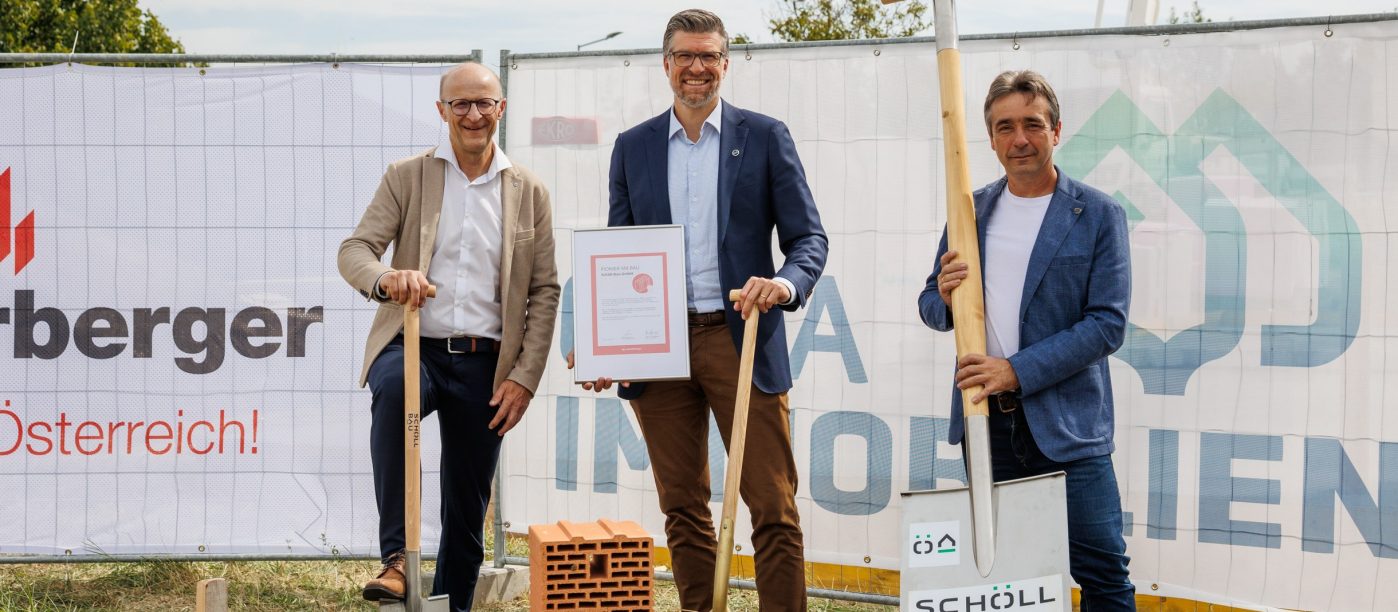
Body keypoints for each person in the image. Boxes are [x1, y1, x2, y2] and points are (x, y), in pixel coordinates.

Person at [567, 8, 827, 610]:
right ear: (666, 64)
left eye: (709, 56)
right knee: (681, 506)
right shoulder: (632, 147)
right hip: (659, 348)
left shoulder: (764, 137)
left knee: (772, 505)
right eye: (686, 55)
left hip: (741, 338)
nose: (697, 67)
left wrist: (783, 285)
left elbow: (808, 239)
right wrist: (606, 341)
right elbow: (621, 253)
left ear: (726, 65)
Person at [338, 62, 559, 610]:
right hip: (414, 345)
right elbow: (355, 252)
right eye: (460, 104)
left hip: (488, 364)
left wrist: (524, 378)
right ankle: (396, 562)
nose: (473, 114)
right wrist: (388, 278)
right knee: (394, 392)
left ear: (501, 109)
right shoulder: (407, 175)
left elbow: (545, 291)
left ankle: (452, 605)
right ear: (442, 112)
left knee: (466, 504)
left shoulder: (529, 190)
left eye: (484, 103)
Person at [917, 70, 1136, 610]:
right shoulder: (969, 211)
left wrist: (1015, 370)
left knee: (1103, 572)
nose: (1020, 139)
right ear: (990, 139)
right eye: (1005, 127)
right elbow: (930, 307)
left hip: (1069, 428)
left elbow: (1107, 324)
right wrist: (943, 296)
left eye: (1033, 124)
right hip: (984, 423)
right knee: (1006, 579)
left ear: (1056, 130)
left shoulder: (1099, 214)